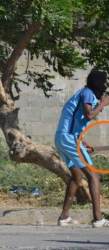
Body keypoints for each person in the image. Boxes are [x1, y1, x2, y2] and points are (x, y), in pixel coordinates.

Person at [55, 70, 109, 227]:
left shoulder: (82, 93)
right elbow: (89, 115)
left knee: (77, 176)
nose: (105, 86)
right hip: (69, 139)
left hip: (63, 138)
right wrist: (103, 104)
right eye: (105, 83)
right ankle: (98, 219)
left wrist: (83, 141)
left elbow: (72, 119)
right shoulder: (88, 94)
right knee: (93, 176)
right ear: (98, 83)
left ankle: (64, 217)